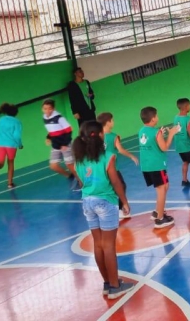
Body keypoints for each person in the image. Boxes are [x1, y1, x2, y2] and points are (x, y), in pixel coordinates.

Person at [72, 121, 134, 299]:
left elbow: (82, 182)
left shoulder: (79, 160)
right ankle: (115, 286)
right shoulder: (108, 156)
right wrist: (124, 202)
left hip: (87, 202)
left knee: (98, 244)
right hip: (105, 202)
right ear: (100, 136)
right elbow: (115, 181)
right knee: (109, 245)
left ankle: (107, 283)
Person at [138, 106, 180, 228]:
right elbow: (164, 147)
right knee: (161, 189)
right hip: (156, 165)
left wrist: (160, 133)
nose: (157, 117)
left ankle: (158, 211)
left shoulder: (142, 130)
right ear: (153, 119)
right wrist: (171, 134)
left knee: (165, 186)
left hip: (146, 165)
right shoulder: (156, 132)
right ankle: (160, 219)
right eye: (156, 115)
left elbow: (151, 140)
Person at [97, 112, 139, 220]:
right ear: (108, 122)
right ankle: (120, 209)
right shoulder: (113, 136)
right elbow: (120, 150)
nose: (113, 122)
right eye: (112, 120)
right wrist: (131, 156)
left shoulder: (97, 136)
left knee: (108, 189)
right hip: (113, 168)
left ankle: (107, 209)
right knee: (121, 186)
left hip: (101, 168)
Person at [42, 98, 79, 190]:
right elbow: (52, 131)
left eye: (49, 108)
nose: (47, 111)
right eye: (45, 108)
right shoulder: (44, 118)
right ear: (42, 109)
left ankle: (81, 182)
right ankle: (70, 176)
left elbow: (69, 130)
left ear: (53, 108)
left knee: (69, 164)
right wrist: (48, 137)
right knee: (53, 166)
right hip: (56, 145)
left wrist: (65, 144)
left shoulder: (59, 118)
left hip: (65, 144)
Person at [0, 103, 23, 189]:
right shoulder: (17, 122)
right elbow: (17, 135)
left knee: (0, 163)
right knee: (10, 162)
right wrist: (20, 145)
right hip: (11, 145)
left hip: (0, 144)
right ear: (15, 113)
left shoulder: (1, 119)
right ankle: (10, 183)